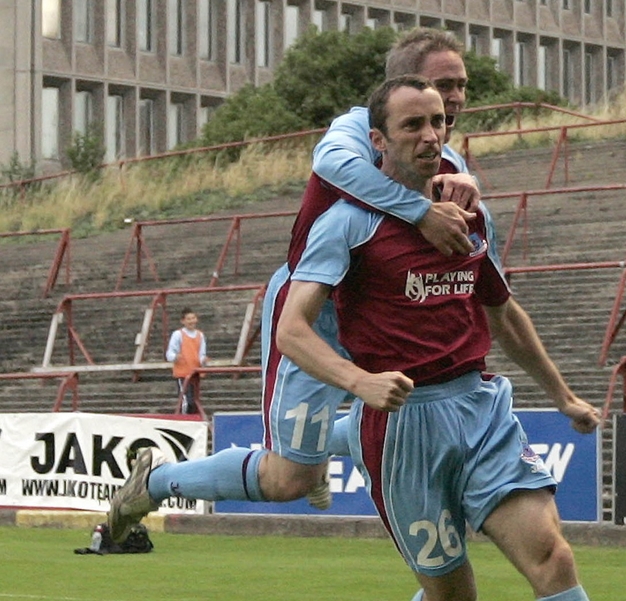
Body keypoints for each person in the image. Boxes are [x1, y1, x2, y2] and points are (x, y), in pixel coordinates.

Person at [107, 28, 480, 543]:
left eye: (461, 85)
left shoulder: (443, 154)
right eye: (444, 83)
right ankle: (156, 482)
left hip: (383, 310)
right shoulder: (353, 131)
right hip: (316, 313)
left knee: (418, 410)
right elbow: (330, 164)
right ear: (399, 85)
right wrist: (421, 211)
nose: (456, 97)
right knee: (289, 479)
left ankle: (323, 450)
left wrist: (465, 183)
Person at [277, 75, 599, 601]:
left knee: (553, 559)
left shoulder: (468, 212)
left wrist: (563, 397)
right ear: (377, 140)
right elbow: (292, 330)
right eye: (413, 125)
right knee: (453, 595)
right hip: (403, 429)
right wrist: (360, 383)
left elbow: (504, 312)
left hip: (480, 409)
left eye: (439, 122)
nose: (431, 135)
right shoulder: (345, 224)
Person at [165, 307, 207, 414]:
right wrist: (175, 357)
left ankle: (193, 420)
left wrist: (203, 360)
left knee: (194, 401)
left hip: (195, 374)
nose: (191, 321)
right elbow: (169, 353)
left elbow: (201, 354)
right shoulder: (178, 334)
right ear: (183, 321)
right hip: (183, 373)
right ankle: (182, 420)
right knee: (186, 401)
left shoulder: (200, 335)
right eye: (188, 319)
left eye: (193, 318)